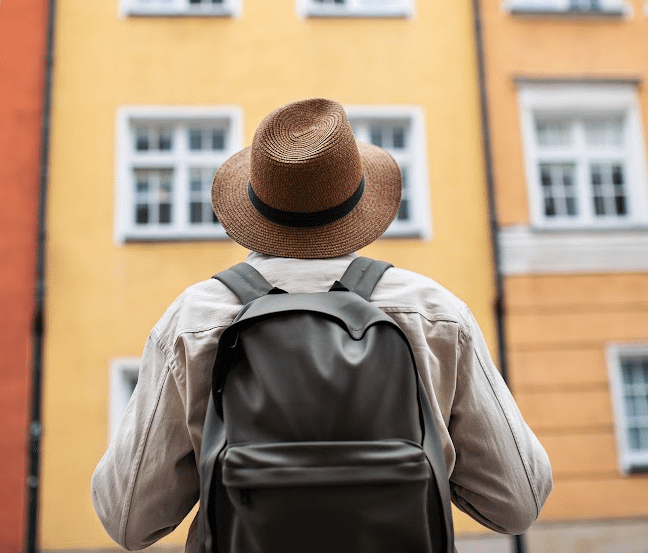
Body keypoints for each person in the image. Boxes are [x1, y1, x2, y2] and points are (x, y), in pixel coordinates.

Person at [91, 98, 553, 551]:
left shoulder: (194, 320)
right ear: (357, 204)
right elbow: (518, 502)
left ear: (256, 206)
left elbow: (128, 519)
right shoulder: (433, 312)